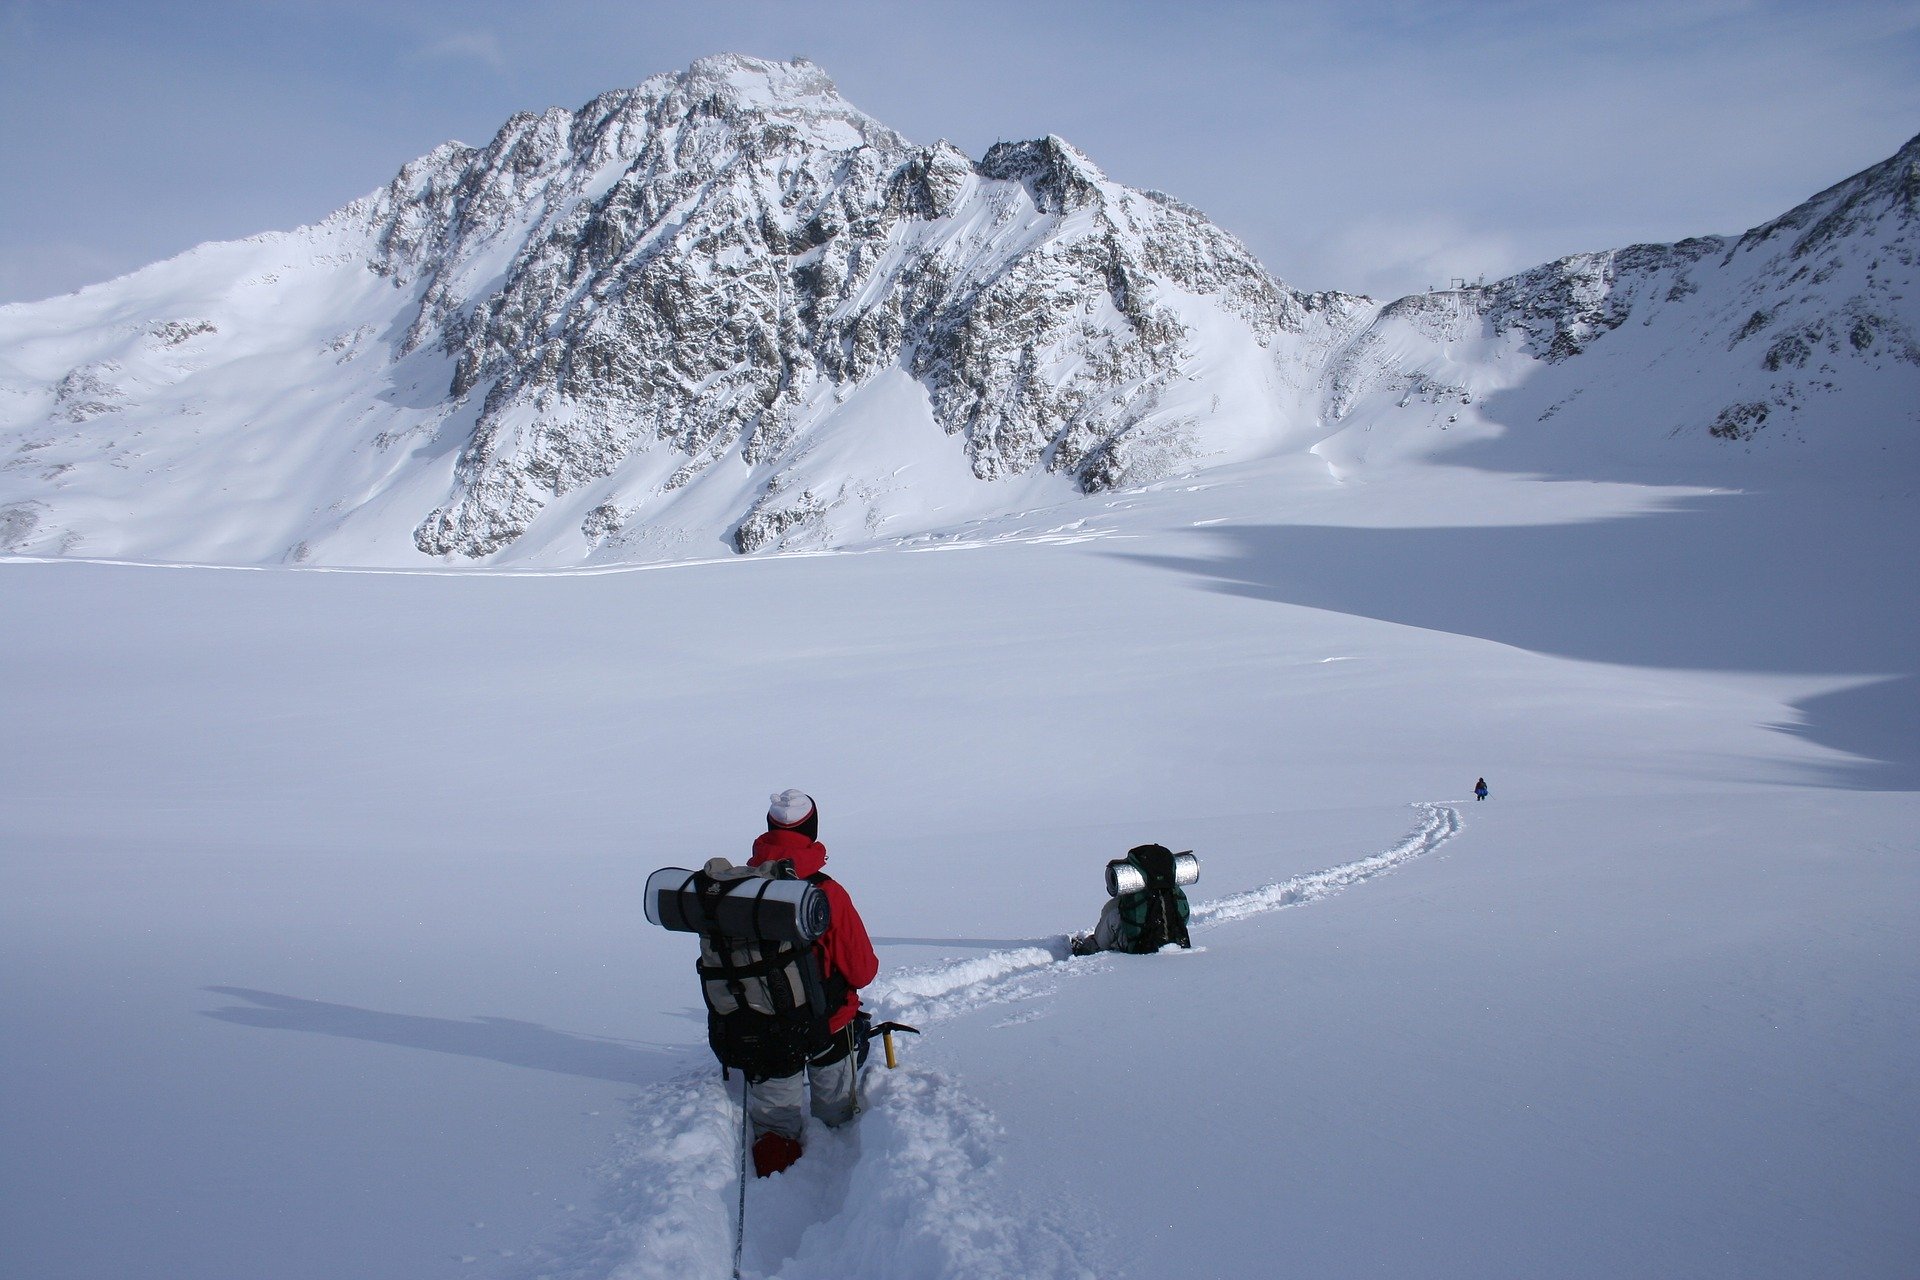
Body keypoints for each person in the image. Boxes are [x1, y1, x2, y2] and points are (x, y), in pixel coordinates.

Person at [741, 789, 878, 1177]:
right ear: (812, 829)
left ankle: (776, 1176)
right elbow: (862, 971)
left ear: (769, 828)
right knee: (838, 1118)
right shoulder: (828, 892)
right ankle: (839, 1171)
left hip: (763, 1030)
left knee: (773, 1131)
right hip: (827, 1029)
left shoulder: (740, 889)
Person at [1069, 843, 1193, 956]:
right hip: (1176, 942)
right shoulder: (1175, 895)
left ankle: (1086, 949)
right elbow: (1184, 917)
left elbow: (1102, 941)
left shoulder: (1117, 906)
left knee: (1111, 916)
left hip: (1140, 947)